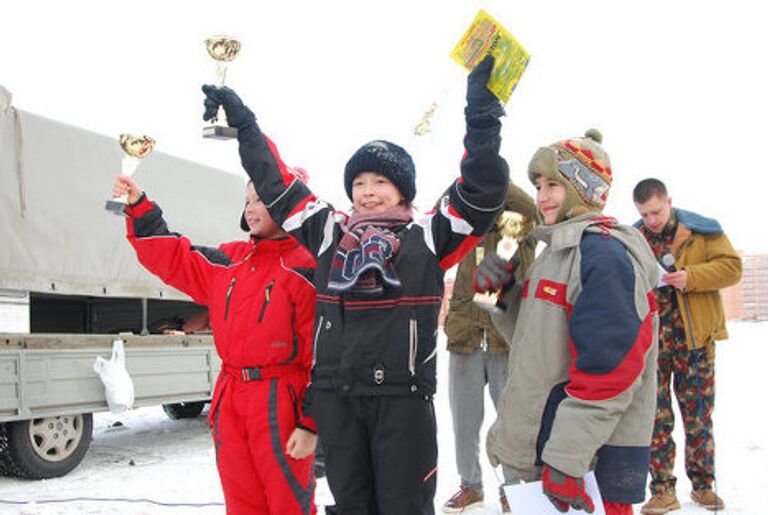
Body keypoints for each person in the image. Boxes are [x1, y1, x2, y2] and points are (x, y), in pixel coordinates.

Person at [201, 55, 509, 515]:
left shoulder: (427, 235)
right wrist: (244, 125)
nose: (367, 191)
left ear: (403, 190)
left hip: (402, 402)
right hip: (341, 401)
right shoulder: (329, 234)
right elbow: (277, 184)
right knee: (352, 506)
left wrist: (481, 114)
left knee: (403, 506)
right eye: (360, 182)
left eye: (380, 181)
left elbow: (480, 193)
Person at [111, 176, 318, 515]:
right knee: (241, 503)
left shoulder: (305, 267)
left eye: (260, 200)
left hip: (281, 400)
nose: (250, 209)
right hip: (231, 398)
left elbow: (322, 355)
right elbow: (175, 257)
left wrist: (310, 423)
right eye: (247, 200)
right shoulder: (229, 260)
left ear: (288, 203)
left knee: (287, 505)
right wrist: (139, 206)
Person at [479, 129, 660, 515]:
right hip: (542, 451)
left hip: (582, 466)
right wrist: (498, 297)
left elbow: (611, 369)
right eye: (538, 185)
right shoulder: (555, 253)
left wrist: (566, 458)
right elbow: (535, 344)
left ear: (583, 189)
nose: (541, 195)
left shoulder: (605, 255)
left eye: (553, 185)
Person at [632, 178, 742, 514]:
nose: (651, 219)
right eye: (644, 213)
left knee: (698, 416)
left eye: (656, 211)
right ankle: (662, 489)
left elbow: (731, 268)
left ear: (669, 202)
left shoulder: (702, 231)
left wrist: (691, 277)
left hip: (694, 343)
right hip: (652, 346)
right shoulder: (633, 237)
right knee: (655, 419)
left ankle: (703, 486)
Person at [441, 183, 537, 514]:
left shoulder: (520, 225)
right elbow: (444, 204)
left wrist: (496, 174)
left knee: (511, 419)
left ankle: (514, 488)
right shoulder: (464, 229)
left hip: (504, 338)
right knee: (463, 420)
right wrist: (469, 180)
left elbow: (529, 207)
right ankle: (470, 486)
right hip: (465, 333)